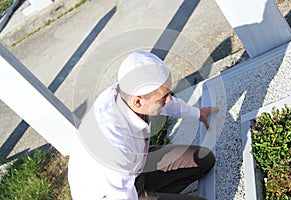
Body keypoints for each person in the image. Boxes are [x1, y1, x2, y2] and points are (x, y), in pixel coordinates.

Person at [68, 51, 218, 200]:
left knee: (204, 159)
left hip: (137, 166)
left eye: (168, 93)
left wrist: (197, 113)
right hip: (114, 193)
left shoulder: (129, 90)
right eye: (163, 97)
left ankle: (155, 194)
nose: (169, 99)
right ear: (138, 102)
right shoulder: (113, 145)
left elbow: (167, 103)